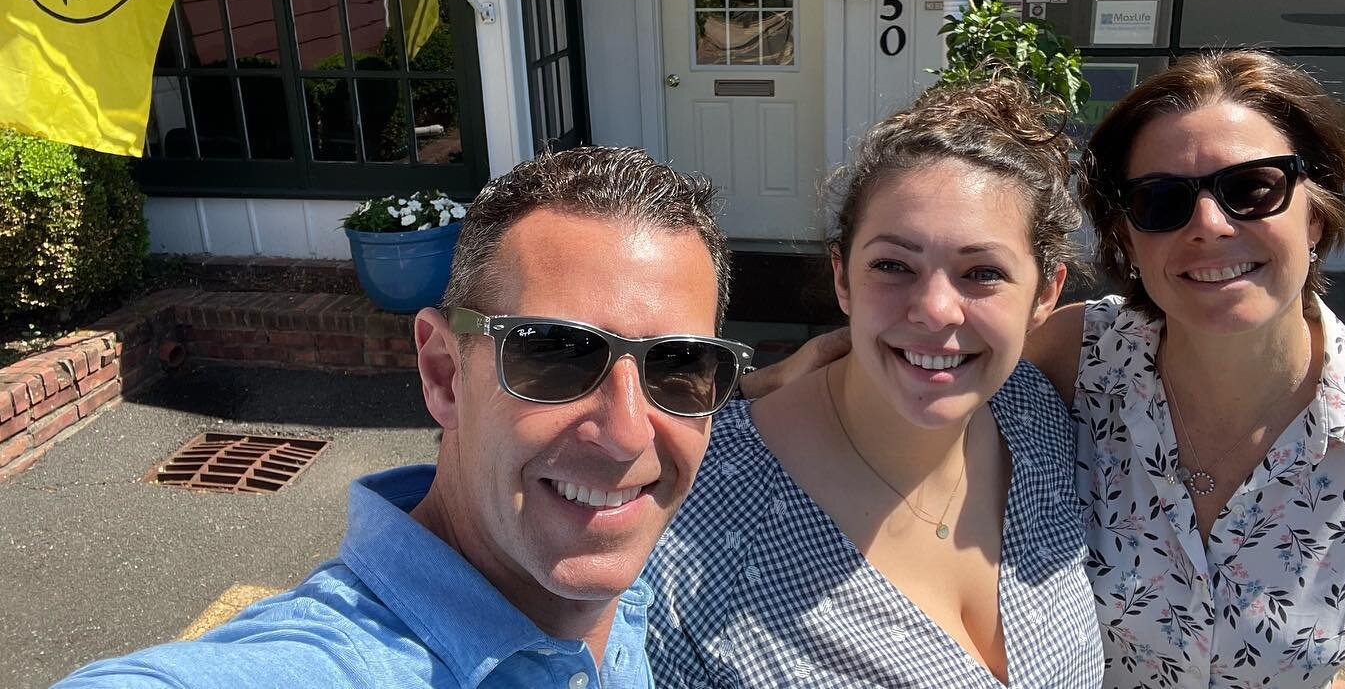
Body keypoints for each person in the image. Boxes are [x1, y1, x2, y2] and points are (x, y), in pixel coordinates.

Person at [52, 145, 752, 688]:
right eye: (557, 353)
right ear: (444, 371)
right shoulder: (337, 662)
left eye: (680, 366)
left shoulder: (616, 571)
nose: (629, 430)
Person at [645, 79, 1105, 687]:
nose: (935, 308)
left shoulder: (1036, 416)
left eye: (983, 272)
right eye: (893, 265)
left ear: (1045, 293)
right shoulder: (690, 522)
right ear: (843, 278)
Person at [1024, 50, 1345, 689]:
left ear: (1316, 214)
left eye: (1251, 188)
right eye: (1162, 201)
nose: (1210, 225)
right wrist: (815, 381)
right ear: (1128, 239)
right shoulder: (1073, 355)